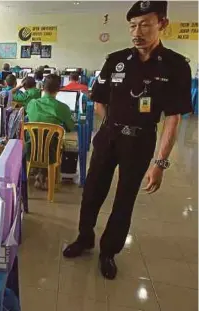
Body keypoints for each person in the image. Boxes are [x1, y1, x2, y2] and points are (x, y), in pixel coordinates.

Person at [63, 0, 192, 280]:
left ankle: (109, 251)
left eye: (145, 24)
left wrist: (160, 162)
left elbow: (173, 118)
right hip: (109, 137)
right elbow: (98, 101)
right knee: (92, 192)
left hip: (141, 140)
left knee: (124, 199)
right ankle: (85, 237)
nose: (137, 31)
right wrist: (111, 125)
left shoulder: (176, 66)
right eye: (133, 25)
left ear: (163, 24)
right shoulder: (116, 60)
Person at [26, 74, 75, 189]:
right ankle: (46, 175)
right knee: (54, 142)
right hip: (51, 154)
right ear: (59, 90)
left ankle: (38, 172)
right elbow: (70, 127)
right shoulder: (63, 108)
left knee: (39, 138)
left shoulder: (32, 103)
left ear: (42, 87)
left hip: (30, 150)